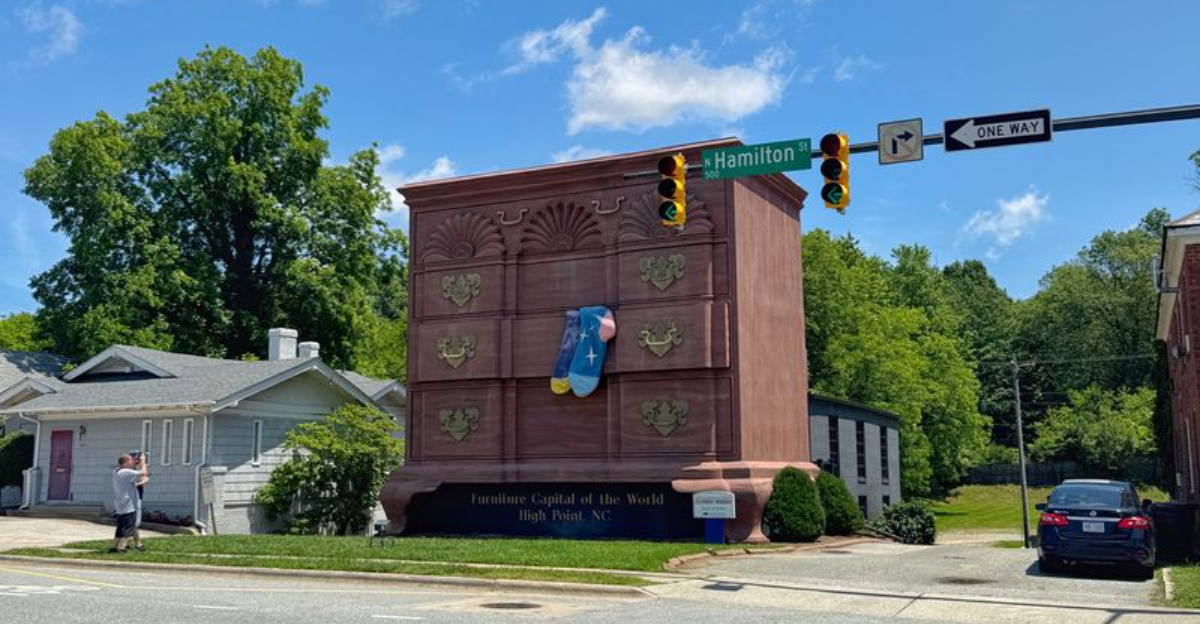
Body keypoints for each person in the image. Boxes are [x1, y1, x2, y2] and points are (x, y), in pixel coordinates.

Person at [110, 453, 149, 553]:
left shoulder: (116, 471)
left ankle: (114, 547)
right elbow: (144, 472)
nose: (133, 461)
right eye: (131, 460)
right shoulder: (126, 472)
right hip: (128, 505)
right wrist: (143, 461)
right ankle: (121, 547)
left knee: (120, 528)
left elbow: (130, 483)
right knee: (129, 527)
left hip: (120, 505)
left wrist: (141, 482)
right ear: (126, 462)